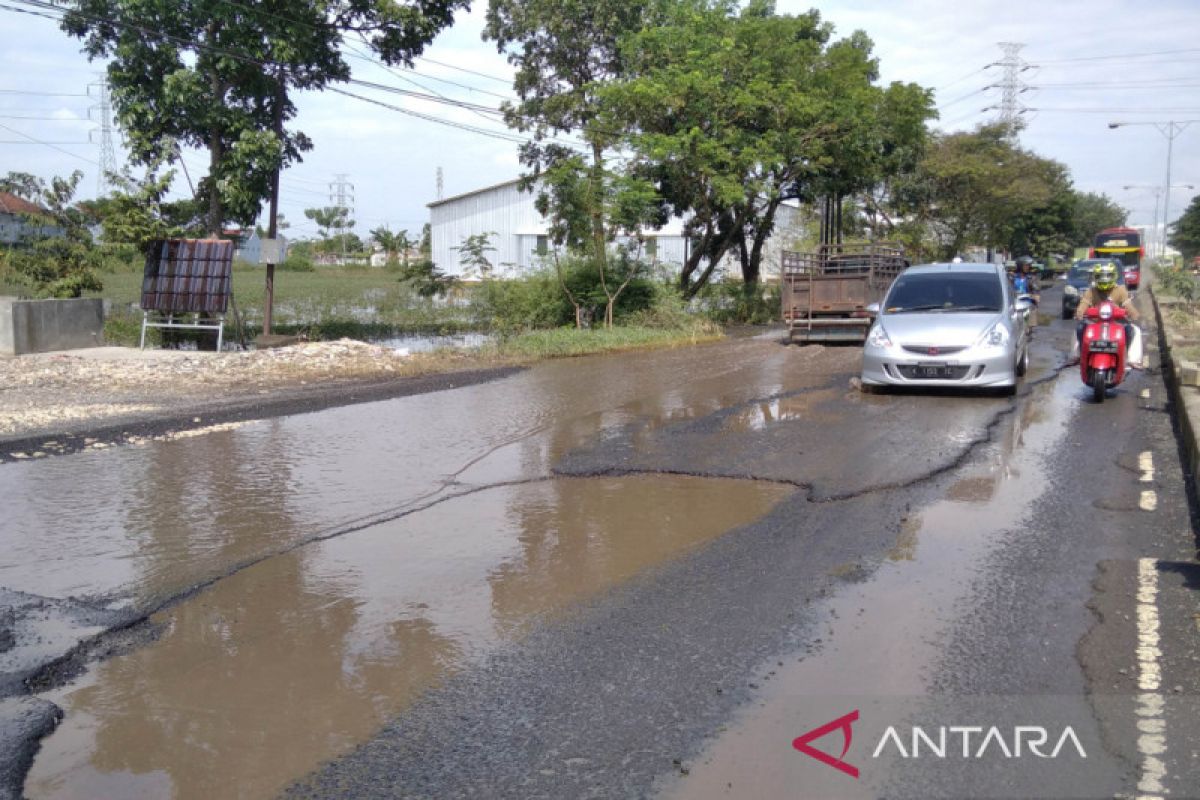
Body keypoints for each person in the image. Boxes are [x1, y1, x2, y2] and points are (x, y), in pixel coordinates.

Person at [1074, 261, 1141, 366]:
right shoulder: (1091, 291)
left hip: (1117, 323)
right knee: (1080, 328)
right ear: (1095, 277)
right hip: (1094, 323)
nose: (1104, 279)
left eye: (1108, 276)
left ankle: (1129, 358)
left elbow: (1128, 304)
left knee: (1131, 330)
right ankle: (1079, 355)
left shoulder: (1121, 290)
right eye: (1100, 276)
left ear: (1114, 276)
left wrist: (1133, 313)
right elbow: (1084, 303)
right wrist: (1079, 312)